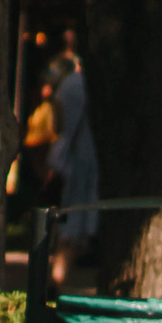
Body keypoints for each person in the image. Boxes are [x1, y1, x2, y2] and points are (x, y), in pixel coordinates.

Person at [47, 54, 99, 285]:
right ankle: (57, 280)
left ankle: (56, 280)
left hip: (70, 159)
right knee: (80, 226)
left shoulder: (68, 84)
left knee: (67, 225)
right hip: (93, 160)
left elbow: (58, 124)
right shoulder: (105, 84)